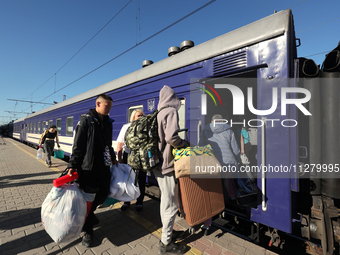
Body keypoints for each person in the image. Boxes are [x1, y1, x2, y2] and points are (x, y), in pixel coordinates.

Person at [66, 94, 118, 247]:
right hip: (88, 168)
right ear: (98, 104)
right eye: (107, 106)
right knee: (87, 200)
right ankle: (88, 231)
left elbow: (108, 144)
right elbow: (78, 145)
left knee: (102, 195)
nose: (109, 110)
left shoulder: (108, 122)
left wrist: (113, 158)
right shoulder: (86, 120)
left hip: (104, 166)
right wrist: (72, 165)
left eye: (110, 107)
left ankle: (89, 214)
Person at [155, 85, 187, 254]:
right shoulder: (171, 112)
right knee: (171, 206)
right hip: (167, 165)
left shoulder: (158, 113)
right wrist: (183, 144)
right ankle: (166, 244)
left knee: (165, 203)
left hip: (157, 165)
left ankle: (168, 233)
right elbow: (171, 137)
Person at [198, 114, 241, 234]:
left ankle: (207, 224)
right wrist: (238, 158)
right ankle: (232, 197)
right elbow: (235, 148)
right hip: (229, 161)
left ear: (212, 121)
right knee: (229, 179)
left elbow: (200, 147)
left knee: (212, 190)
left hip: (213, 162)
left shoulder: (206, 130)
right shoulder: (229, 130)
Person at [116, 109, 146, 213]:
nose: (141, 117)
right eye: (138, 115)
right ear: (133, 117)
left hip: (141, 157)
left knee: (141, 180)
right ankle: (126, 202)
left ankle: (139, 203)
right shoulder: (126, 127)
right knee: (127, 180)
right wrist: (119, 159)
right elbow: (120, 144)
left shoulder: (145, 127)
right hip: (128, 156)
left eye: (142, 115)